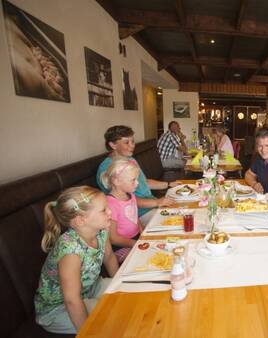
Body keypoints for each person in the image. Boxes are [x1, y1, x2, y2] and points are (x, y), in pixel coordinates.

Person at [34, 186, 118, 334]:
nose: (110, 212)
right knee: (108, 317)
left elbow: (109, 257)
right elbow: (71, 300)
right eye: (104, 210)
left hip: (90, 287)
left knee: (128, 295)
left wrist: (120, 284)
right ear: (80, 220)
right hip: (58, 308)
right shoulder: (70, 250)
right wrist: (87, 332)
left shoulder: (101, 230)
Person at [96, 125, 175, 224]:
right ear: (113, 145)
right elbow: (121, 200)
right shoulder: (108, 168)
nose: (132, 145)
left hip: (152, 204)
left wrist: (169, 184)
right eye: (126, 142)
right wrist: (157, 202)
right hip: (136, 214)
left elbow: (144, 182)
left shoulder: (130, 159)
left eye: (132, 141)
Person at [100, 157, 142, 263]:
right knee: (139, 259)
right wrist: (135, 243)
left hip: (136, 239)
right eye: (133, 180)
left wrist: (143, 234)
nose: (137, 183)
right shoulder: (111, 203)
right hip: (120, 247)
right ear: (117, 181)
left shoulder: (130, 195)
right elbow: (113, 238)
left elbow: (135, 217)